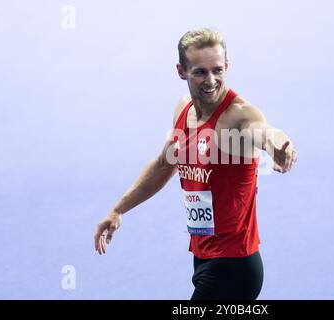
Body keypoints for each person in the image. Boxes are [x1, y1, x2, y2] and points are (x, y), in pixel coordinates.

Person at [94, 28, 297, 300]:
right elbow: (164, 166)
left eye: (218, 70)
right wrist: (118, 210)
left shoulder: (238, 116)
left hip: (234, 265)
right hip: (203, 257)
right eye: (200, 72)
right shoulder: (183, 109)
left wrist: (280, 146)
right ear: (181, 71)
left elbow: (265, 131)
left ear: (227, 66)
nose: (211, 80)